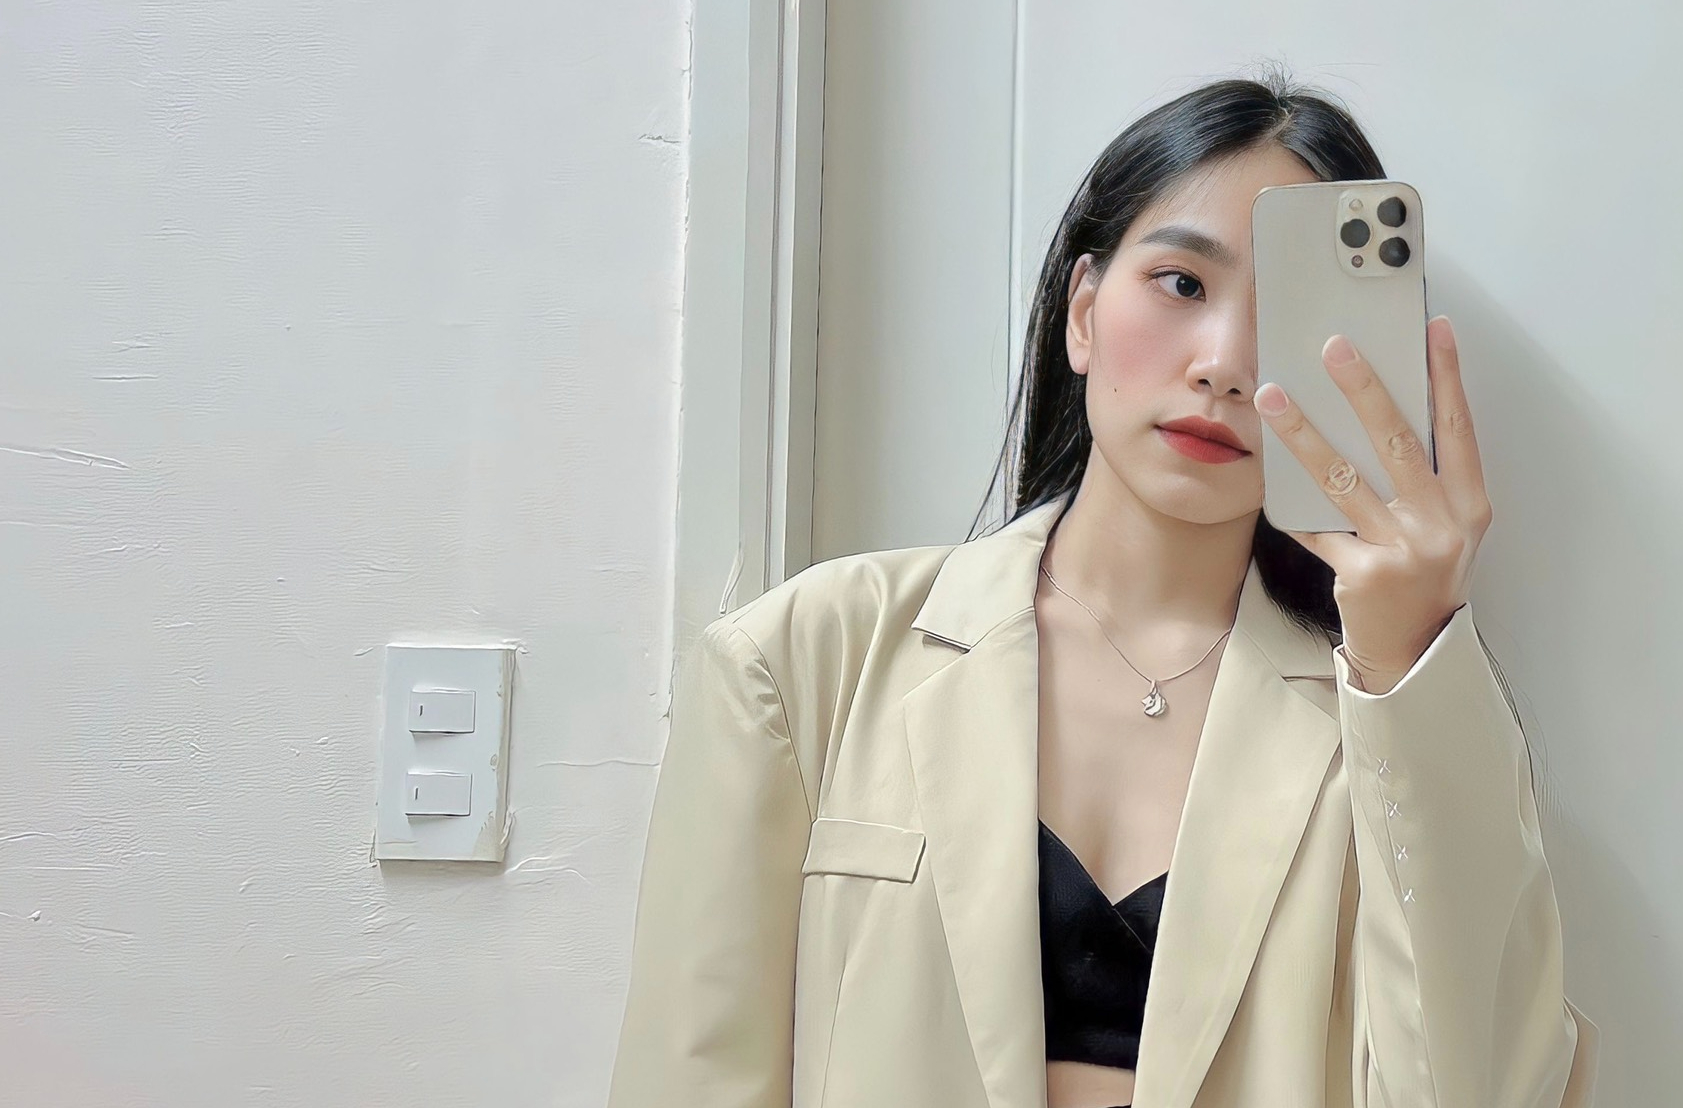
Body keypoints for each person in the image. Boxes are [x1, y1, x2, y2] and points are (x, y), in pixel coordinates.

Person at [608, 74, 1596, 1108]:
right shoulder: (804, 662)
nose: (1224, 363)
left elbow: (1482, 1088)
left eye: (1288, 317)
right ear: (1083, 312)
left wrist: (1408, 659)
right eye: (1181, 283)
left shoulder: (1398, 733)